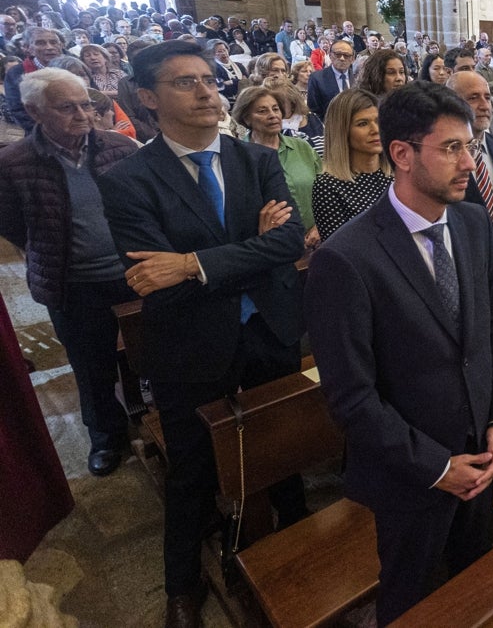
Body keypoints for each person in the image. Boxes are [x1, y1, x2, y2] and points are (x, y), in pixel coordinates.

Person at [96, 40, 308, 628]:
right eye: (184, 82)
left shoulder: (255, 161)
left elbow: (288, 244)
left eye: (209, 80)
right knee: (192, 470)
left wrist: (191, 262)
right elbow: (153, 279)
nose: (206, 92)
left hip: (268, 327)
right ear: (146, 97)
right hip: (190, 343)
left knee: (284, 449)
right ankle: (182, 587)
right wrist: (250, 246)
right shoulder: (130, 181)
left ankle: (295, 558)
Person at [306, 82, 493, 623]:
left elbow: (491, 330)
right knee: (410, 595)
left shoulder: (470, 222)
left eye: (469, 145)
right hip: (410, 473)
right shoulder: (347, 258)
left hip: (479, 453)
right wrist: (438, 466)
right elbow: (351, 398)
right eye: (450, 149)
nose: (468, 162)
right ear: (401, 153)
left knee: (473, 578)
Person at [0, 68, 139, 476]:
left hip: (130, 273)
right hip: (73, 283)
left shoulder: (120, 148)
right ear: (34, 111)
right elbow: (11, 224)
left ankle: (152, 418)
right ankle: (106, 437)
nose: (82, 115)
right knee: (91, 364)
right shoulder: (13, 163)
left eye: (87, 105)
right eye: (67, 107)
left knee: (147, 351)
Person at [232, 85, 322, 248]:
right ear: (246, 118)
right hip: (269, 247)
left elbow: (323, 191)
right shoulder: (237, 157)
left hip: (314, 242)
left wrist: (319, 226)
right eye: (262, 111)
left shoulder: (302, 147)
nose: (273, 115)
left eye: (275, 109)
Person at [448, 71, 493, 287]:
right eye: (473, 98)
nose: (485, 105)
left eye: (487, 97)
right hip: (463, 269)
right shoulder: (445, 156)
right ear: (451, 102)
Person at [312, 89, 392, 241]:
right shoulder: (328, 186)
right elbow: (340, 251)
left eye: (378, 121)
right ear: (342, 131)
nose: (375, 130)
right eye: (363, 124)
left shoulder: (397, 175)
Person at [5, 26, 67, 133]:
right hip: (40, 134)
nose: (49, 47)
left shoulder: (73, 66)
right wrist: (47, 131)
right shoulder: (17, 73)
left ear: (61, 45)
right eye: (41, 43)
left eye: (54, 42)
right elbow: (18, 109)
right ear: (29, 48)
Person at [307, 39, 356, 121]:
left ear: (352, 59)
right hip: (328, 126)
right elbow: (314, 111)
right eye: (338, 54)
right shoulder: (317, 78)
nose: (342, 58)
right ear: (330, 56)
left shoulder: (358, 78)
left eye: (346, 55)